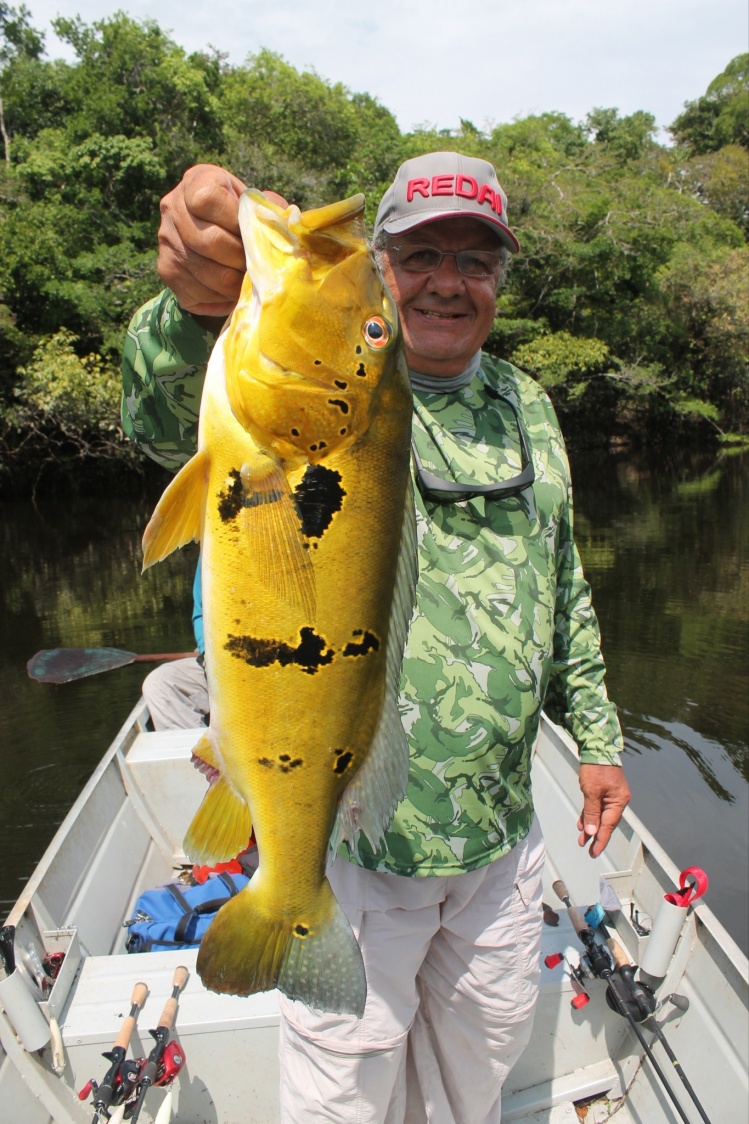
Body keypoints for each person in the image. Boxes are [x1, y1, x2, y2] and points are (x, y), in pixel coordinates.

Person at [122, 151, 631, 1123]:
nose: (446, 279)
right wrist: (196, 306)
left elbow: (563, 578)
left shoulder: (527, 403)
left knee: (474, 1072)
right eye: (416, 253)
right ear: (383, 268)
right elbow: (157, 416)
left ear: (498, 280)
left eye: (474, 259)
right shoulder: (340, 390)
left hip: (499, 840)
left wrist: (597, 739)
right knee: (344, 1091)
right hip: (358, 838)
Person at [141, 560, 210, 731]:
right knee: (160, 683)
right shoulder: (215, 544)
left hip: (279, 669)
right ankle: (196, 755)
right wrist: (207, 653)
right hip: (223, 665)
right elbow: (201, 613)